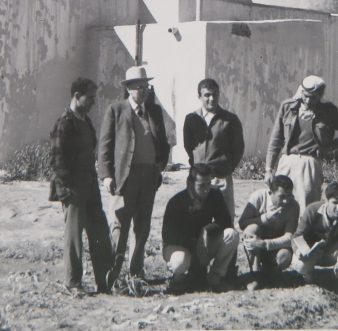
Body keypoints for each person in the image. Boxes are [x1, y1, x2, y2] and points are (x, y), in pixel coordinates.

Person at [98, 66, 171, 283]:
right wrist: (107, 176)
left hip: (149, 176)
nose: (144, 91)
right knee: (120, 224)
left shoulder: (155, 111)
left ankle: (135, 272)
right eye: (139, 87)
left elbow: (163, 143)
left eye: (146, 86)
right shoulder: (116, 110)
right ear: (129, 88)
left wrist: (159, 166)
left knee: (143, 225)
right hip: (124, 177)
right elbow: (105, 146)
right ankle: (112, 272)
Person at [49, 77, 115, 295]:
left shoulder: (85, 121)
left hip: (90, 188)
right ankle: (73, 283)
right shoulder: (64, 123)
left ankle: (104, 282)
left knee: (100, 233)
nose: (93, 102)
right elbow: (57, 162)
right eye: (90, 97)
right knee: (74, 239)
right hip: (73, 190)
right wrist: (68, 191)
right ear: (77, 96)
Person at [265, 76, 338, 212]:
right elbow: (276, 139)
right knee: (279, 202)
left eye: (313, 97)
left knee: (307, 205)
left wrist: (328, 147)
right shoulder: (288, 107)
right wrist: (268, 169)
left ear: (320, 95)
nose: (308, 101)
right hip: (287, 161)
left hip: (310, 164)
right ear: (301, 92)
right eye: (306, 96)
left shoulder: (328, 111)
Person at [162, 163, 240, 294]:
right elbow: (168, 236)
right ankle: (178, 280)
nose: (206, 189)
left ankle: (214, 277)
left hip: (202, 244)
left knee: (231, 235)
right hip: (179, 246)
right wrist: (195, 244)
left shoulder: (215, 195)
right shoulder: (177, 201)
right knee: (179, 262)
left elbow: (226, 221)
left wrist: (206, 229)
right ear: (190, 183)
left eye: (209, 184)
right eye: (201, 185)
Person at [183, 78, 245, 220]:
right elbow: (188, 146)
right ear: (199, 97)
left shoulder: (230, 119)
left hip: (220, 179)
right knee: (196, 220)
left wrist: (226, 168)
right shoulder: (191, 119)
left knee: (225, 221)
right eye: (207, 95)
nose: (211, 99)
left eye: (215, 94)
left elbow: (238, 148)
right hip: (198, 181)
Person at [238, 174, 300, 288]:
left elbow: (289, 238)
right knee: (251, 229)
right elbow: (242, 224)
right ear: (270, 193)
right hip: (257, 245)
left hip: (275, 248)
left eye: (289, 196)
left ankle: (271, 271)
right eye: (281, 196)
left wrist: (264, 244)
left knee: (284, 256)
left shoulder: (294, 206)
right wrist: (265, 218)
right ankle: (255, 274)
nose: (286, 201)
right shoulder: (258, 197)